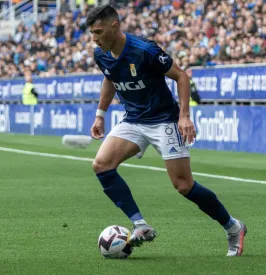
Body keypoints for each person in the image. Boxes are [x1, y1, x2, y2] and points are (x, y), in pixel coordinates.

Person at [87, 5, 246, 256]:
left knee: (183, 185)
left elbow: (181, 77)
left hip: (164, 120)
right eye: (91, 33)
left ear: (115, 26)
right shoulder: (101, 54)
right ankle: (140, 225)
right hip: (134, 120)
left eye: (98, 32)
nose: (94, 39)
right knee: (102, 165)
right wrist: (100, 114)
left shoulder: (144, 50)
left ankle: (233, 227)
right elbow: (110, 77)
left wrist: (184, 116)